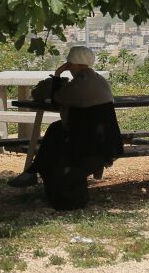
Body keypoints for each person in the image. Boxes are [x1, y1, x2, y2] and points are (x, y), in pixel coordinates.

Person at [7, 46, 123, 207]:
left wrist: (57, 75)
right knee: (56, 129)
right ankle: (33, 170)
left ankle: (33, 171)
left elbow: (57, 98)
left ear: (73, 63)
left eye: (69, 64)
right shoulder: (100, 80)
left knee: (54, 139)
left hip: (92, 147)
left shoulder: (80, 84)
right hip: (108, 143)